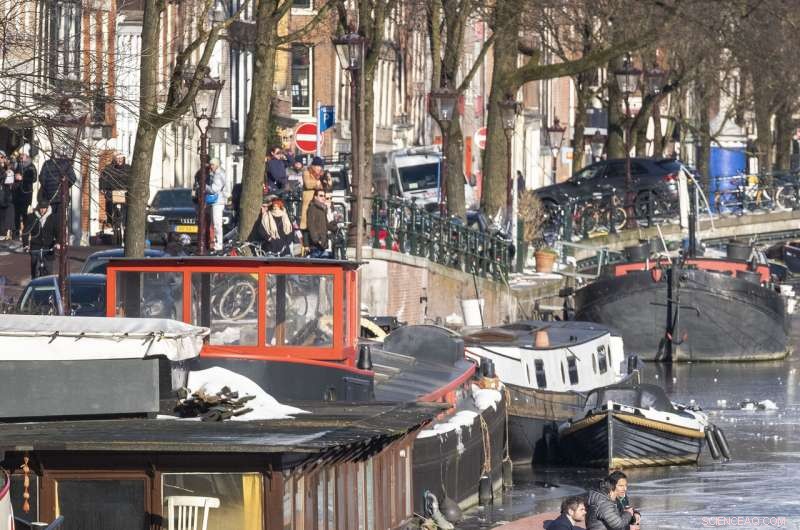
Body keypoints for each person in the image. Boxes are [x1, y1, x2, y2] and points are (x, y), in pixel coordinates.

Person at [38, 153, 77, 231]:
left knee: (49, 219)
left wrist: (47, 189)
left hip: (49, 197)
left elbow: (42, 179)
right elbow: (73, 179)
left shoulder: (47, 164)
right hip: (61, 197)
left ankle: (50, 239)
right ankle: (58, 240)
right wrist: (65, 184)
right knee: (60, 220)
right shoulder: (66, 164)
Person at [22, 200, 59, 278]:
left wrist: (57, 243)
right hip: (35, 247)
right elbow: (25, 232)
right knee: (35, 270)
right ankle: (35, 283)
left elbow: (58, 233)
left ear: (47, 208)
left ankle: (48, 286)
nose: (42, 210)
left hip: (48, 248)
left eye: (44, 208)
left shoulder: (53, 218)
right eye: (41, 208)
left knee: (49, 271)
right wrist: (25, 245)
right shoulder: (32, 217)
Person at [100, 153, 131, 243]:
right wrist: (103, 188)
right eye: (118, 158)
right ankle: (111, 220)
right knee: (109, 206)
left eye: (121, 158)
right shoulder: (109, 169)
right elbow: (102, 178)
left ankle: (126, 225)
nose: (119, 160)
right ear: (114, 159)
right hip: (112, 192)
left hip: (125, 193)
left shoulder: (128, 169)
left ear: (124, 159)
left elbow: (132, 179)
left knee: (127, 209)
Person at [300, 156, 331, 231]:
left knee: (318, 221)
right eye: (317, 166)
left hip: (319, 200)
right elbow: (307, 184)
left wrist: (328, 180)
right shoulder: (307, 172)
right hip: (309, 200)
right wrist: (317, 183)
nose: (319, 168)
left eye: (320, 166)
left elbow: (328, 186)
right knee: (308, 221)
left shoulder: (322, 174)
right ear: (313, 165)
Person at [12, 148, 37, 240]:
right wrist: (14, 176)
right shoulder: (17, 165)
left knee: (24, 214)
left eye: (22, 155)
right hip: (16, 193)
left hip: (26, 193)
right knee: (16, 214)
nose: (20, 156)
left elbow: (34, 179)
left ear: (26, 156)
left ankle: (25, 233)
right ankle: (16, 233)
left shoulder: (31, 166)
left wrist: (23, 178)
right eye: (20, 155)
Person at [205, 158, 228, 252]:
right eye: (210, 165)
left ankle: (219, 245)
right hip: (217, 201)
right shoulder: (217, 174)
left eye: (212, 165)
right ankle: (216, 243)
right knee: (214, 223)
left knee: (217, 223)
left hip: (217, 202)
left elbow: (214, 189)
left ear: (217, 165)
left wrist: (204, 186)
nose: (211, 167)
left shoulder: (218, 175)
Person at [306, 189, 337, 258]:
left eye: (324, 196)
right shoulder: (312, 208)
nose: (323, 198)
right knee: (316, 266)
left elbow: (327, 225)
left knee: (325, 265)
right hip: (316, 246)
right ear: (315, 197)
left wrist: (335, 222)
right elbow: (311, 225)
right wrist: (317, 240)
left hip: (323, 244)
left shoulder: (323, 208)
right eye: (321, 196)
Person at [0, 151, 14, 240]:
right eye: (1, 157)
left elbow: (10, 181)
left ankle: (4, 232)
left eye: (3, 157)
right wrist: (5, 175)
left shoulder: (5, 167)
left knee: (5, 213)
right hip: (2, 193)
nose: (2, 159)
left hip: (5, 194)